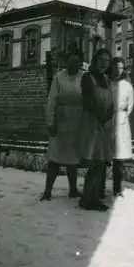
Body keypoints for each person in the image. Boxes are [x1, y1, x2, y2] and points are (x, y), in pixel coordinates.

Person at [40, 48, 84, 201]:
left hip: (77, 122)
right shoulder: (59, 78)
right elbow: (52, 101)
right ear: (67, 62)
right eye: (71, 61)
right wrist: (50, 122)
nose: (74, 65)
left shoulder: (84, 77)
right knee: (55, 157)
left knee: (73, 157)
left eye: (77, 62)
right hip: (61, 121)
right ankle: (47, 191)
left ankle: (73, 189)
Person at [78, 48, 114, 211]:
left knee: (100, 163)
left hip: (104, 124)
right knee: (95, 162)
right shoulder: (87, 77)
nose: (103, 64)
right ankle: (89, 199)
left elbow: (110, 102)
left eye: (107, 61)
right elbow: (87, 101)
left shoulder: (106, 79)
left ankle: (89, 197)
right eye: (101, 60)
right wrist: (100, 115)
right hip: (91, 124)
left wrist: (108, 114)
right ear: (95, 60)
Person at [110, 57, 134, 196]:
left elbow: (130, 106)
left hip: (121, 122)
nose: (118, 71)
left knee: (118, 158)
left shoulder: (127, 86)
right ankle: (100, 188)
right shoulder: (108, 83)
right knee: (105, 156)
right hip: (108, 120)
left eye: (121, 68)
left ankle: (116, 188)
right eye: (115, 68)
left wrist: (122, 116)